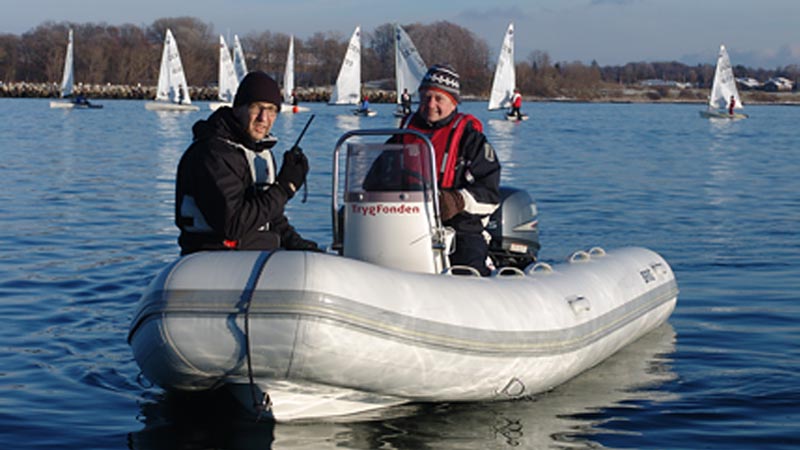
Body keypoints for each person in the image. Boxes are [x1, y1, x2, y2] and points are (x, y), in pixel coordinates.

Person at [175, 71, 320, 255]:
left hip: (252, 256)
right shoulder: (212, 154)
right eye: (257, 107)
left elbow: (268, 214)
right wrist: (284, 188)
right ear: (238, 108)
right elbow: (232, 225)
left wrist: (293, 241)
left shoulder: (260, 151)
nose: (264, 118)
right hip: (211, 259)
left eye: (272, 110)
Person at [397, 64, 501, 275]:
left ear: (453, 102)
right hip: (404, 223)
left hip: (459, 228)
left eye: (438, 98)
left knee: (467, 260)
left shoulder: (472, 140)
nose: (431, 104)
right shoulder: (401, 135)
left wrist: (457, 200)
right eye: (426, 97)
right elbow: (376, 177)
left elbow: (489, 194)